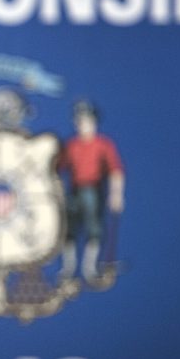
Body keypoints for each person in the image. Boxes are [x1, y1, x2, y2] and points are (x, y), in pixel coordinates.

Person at [57, 100, 125, 281]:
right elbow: (60, 168)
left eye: (86, 120)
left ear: (93, 122)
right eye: (79, 120)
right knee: (68, 229)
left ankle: (89, 268)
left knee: (93, 228)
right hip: (74, 190)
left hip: (92, 190)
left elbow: (115, 171)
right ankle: (68, 268)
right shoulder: (71, 145)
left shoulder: (103, 145)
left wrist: (116, 194)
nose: (82, 124)